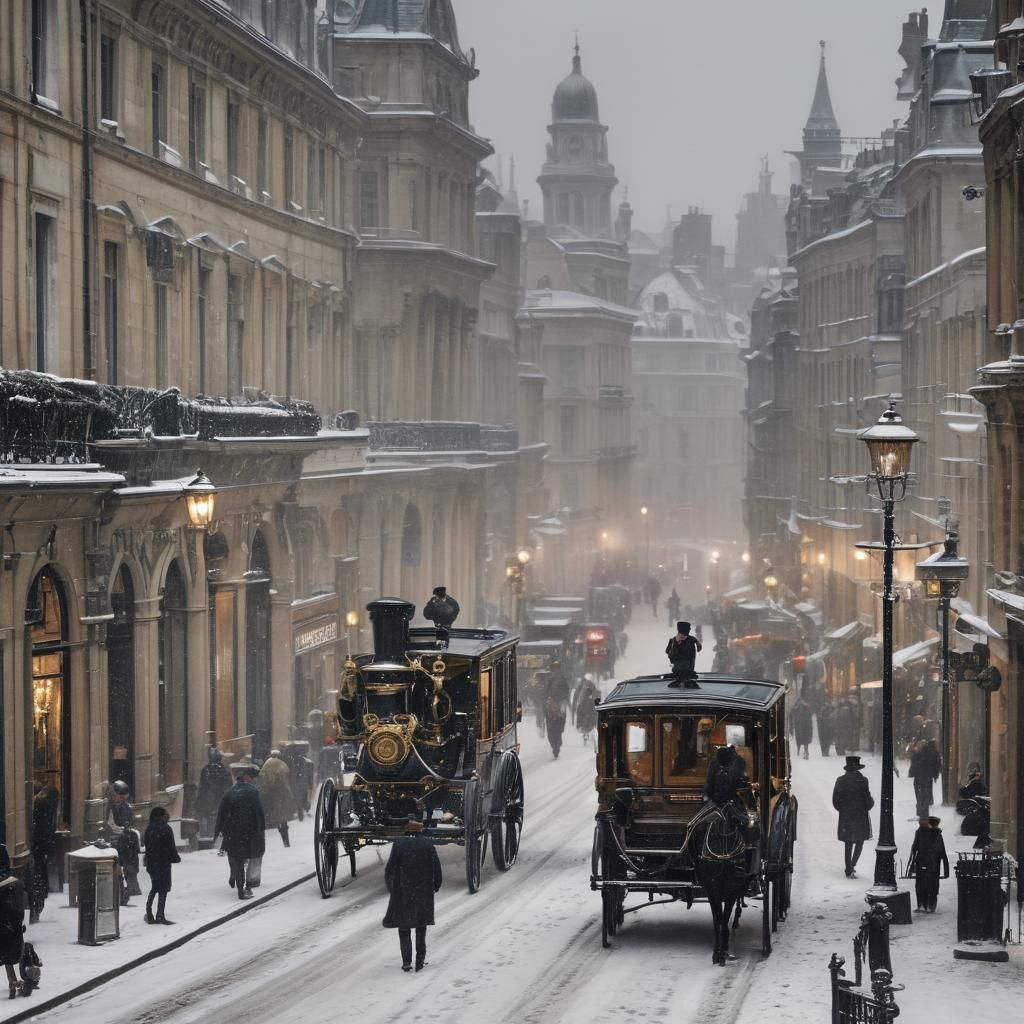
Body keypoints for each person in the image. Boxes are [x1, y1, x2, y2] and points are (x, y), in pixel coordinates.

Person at [383, 818, 443, 972]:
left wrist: (393, 888)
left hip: (403, 891)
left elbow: (390, 870)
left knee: (404, 928)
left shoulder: (399, 844)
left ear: (406, 830)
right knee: (420, 927)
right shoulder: (428, 845)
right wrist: (435, 886)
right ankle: (420, 961)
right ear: (420, 831)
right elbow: (436, 869)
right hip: (423, 892)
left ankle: (406, 961)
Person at [214, 764, 266, 900]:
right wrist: (260, 829)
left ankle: (239, 885)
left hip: (233, 832)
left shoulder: (230, 793)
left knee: (237, 858)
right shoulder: (253, 792)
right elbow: (258, 812)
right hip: (248, 831)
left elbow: (222, 814)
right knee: (247, 858)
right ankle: (246, 887)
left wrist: (220, 830)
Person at [832, 756, 874, 878]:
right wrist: (869, 805)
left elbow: (835, 800)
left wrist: (843, 809)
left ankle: (848, 868)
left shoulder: (840, 780)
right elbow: (868, 799)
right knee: (859, 842)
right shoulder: (863, 780)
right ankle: (852, 865)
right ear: (858, 767)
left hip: (846, 816)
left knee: (848, 843)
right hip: (860, 815)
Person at [142, 806, 180, 925]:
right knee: (163, 889)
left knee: (154, 888)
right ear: (162, 816)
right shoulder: (166, 828)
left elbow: (147, 847)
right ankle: (160, 914)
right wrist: (176, 858)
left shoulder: (149, 829)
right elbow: (171, 847)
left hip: (152, 863)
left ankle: (149, 913)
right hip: (163, 863)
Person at [0, 850, 29, 999]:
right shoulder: (12, 895)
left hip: (6, 930)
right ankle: (18, 980)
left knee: (7, 958)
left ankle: (13, 981)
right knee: (13, 955)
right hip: (13, 929)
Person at [29, 780, 58, 923]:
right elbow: (47, 829)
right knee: (40, 877)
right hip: (40, 848)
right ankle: (38, 904)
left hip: (37, 847)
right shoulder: (45, 806)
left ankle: (37, 904)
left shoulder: (39, 806)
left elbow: (43, 829)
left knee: (38, 877)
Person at [908, 816, 949, 912]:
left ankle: (926, 905)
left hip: (928, 863)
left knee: (925, 885)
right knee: (927, 885)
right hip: (929, 863)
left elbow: (915, 849)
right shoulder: (923, 832)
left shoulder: (930, 833)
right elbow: (942, 852)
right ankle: (927, 905)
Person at [256, 749, 294, 848]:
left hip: (269, 794)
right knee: (282, 816)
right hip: (281, 794)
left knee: (269, 816)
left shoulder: (266, 765)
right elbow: (287, 779)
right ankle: (285, 840)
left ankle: (261, 842)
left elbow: (262, 779)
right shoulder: (283, 765)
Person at [196, 748, 233, 839]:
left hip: (208, 798)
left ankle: (206, 836)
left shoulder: (206, 770)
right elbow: (229, 785)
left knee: (207, 816)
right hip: (220, 797)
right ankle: (214, 835)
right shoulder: (224, 770)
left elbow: (202, 786)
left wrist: (199, 800)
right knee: (216, 816)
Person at [909, 738, 941, 818]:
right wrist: (935, 774)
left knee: (919, 793)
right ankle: (924, 811)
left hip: (919, 777)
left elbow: (913, 766)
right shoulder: (932, 753)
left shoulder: (918, 754)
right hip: (927, 776)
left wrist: (912, 773)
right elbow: (936, 764)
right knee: (925, 793)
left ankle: (921, 810)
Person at [544, 691, 566, 759]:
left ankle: (556, 750)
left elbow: (562, 716)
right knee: (553, 738)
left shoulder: (559, 704)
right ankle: (556, 749)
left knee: (555, 738)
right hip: (552, 724)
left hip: (555, 724)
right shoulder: (548, 704)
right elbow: (546, 714)